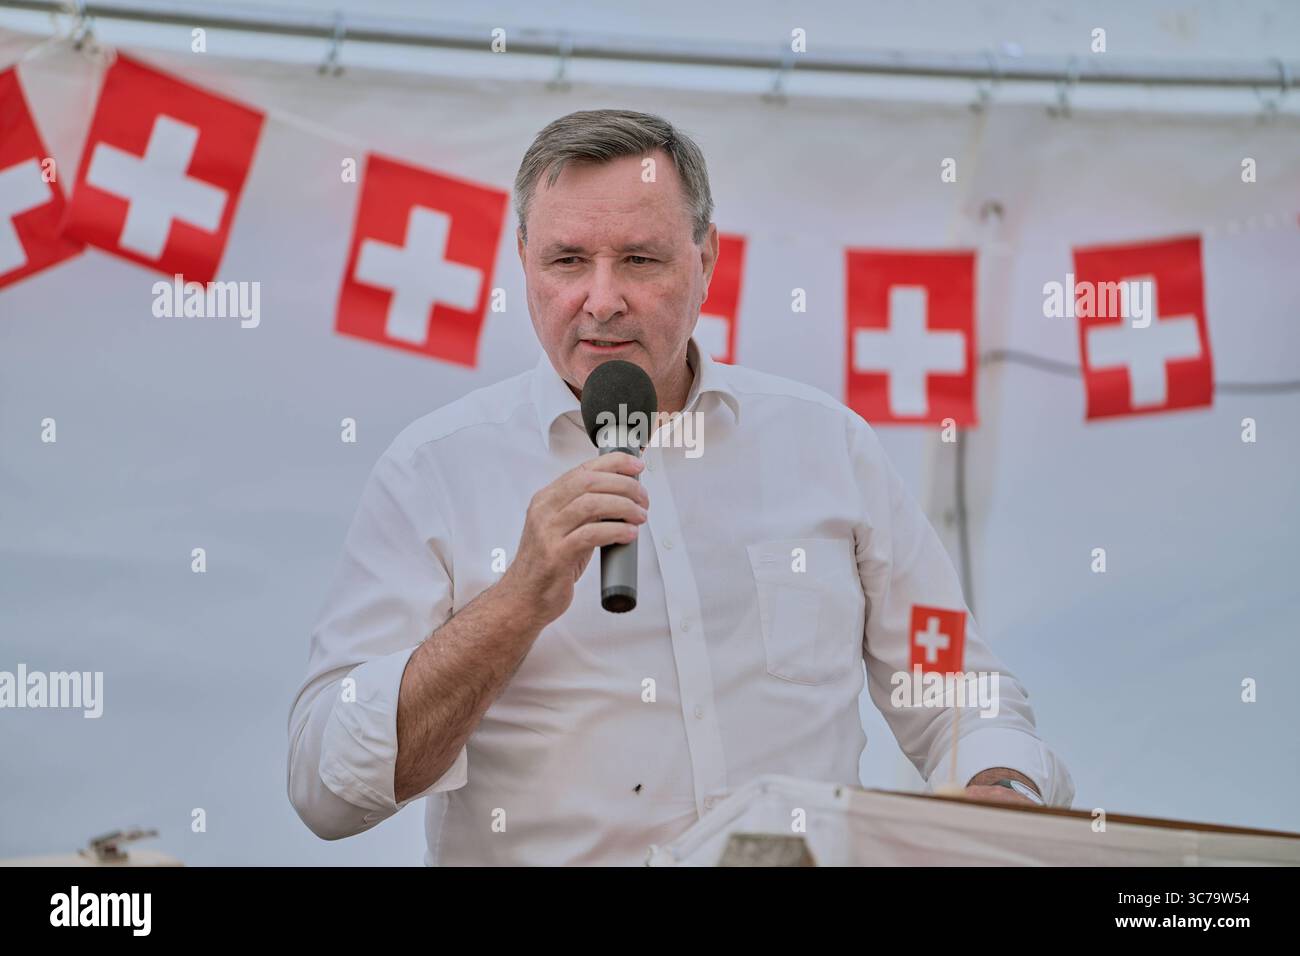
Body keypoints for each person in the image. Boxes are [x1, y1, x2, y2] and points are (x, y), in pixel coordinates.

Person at [287, 109, 1074, 865]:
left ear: (707, 260)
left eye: (640, 258)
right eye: (567, 261)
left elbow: (955, 683)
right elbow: (327, 788)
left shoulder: (825, 445)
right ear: (523, 260)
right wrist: (516, 601)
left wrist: (999, 782)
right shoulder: (434, 470)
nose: (601, 299)